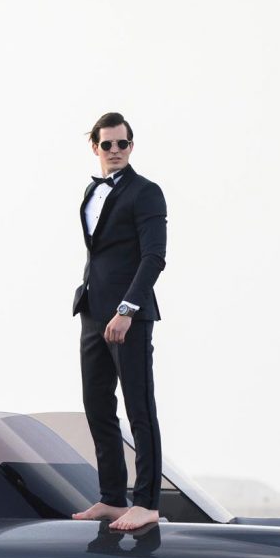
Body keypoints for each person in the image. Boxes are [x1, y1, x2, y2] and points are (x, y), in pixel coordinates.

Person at [69, 111, 167, 532]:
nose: (115, 151)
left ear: (131, 146)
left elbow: (153, 257)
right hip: (92, 311)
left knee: (139, 407)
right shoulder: (92, 192)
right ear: (95, 147)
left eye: (122, 144)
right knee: (97, 405)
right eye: (107, 144)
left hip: (129, 316)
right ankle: (112, 497)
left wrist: (127, 310)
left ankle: (146, 502)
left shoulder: (146, 193)